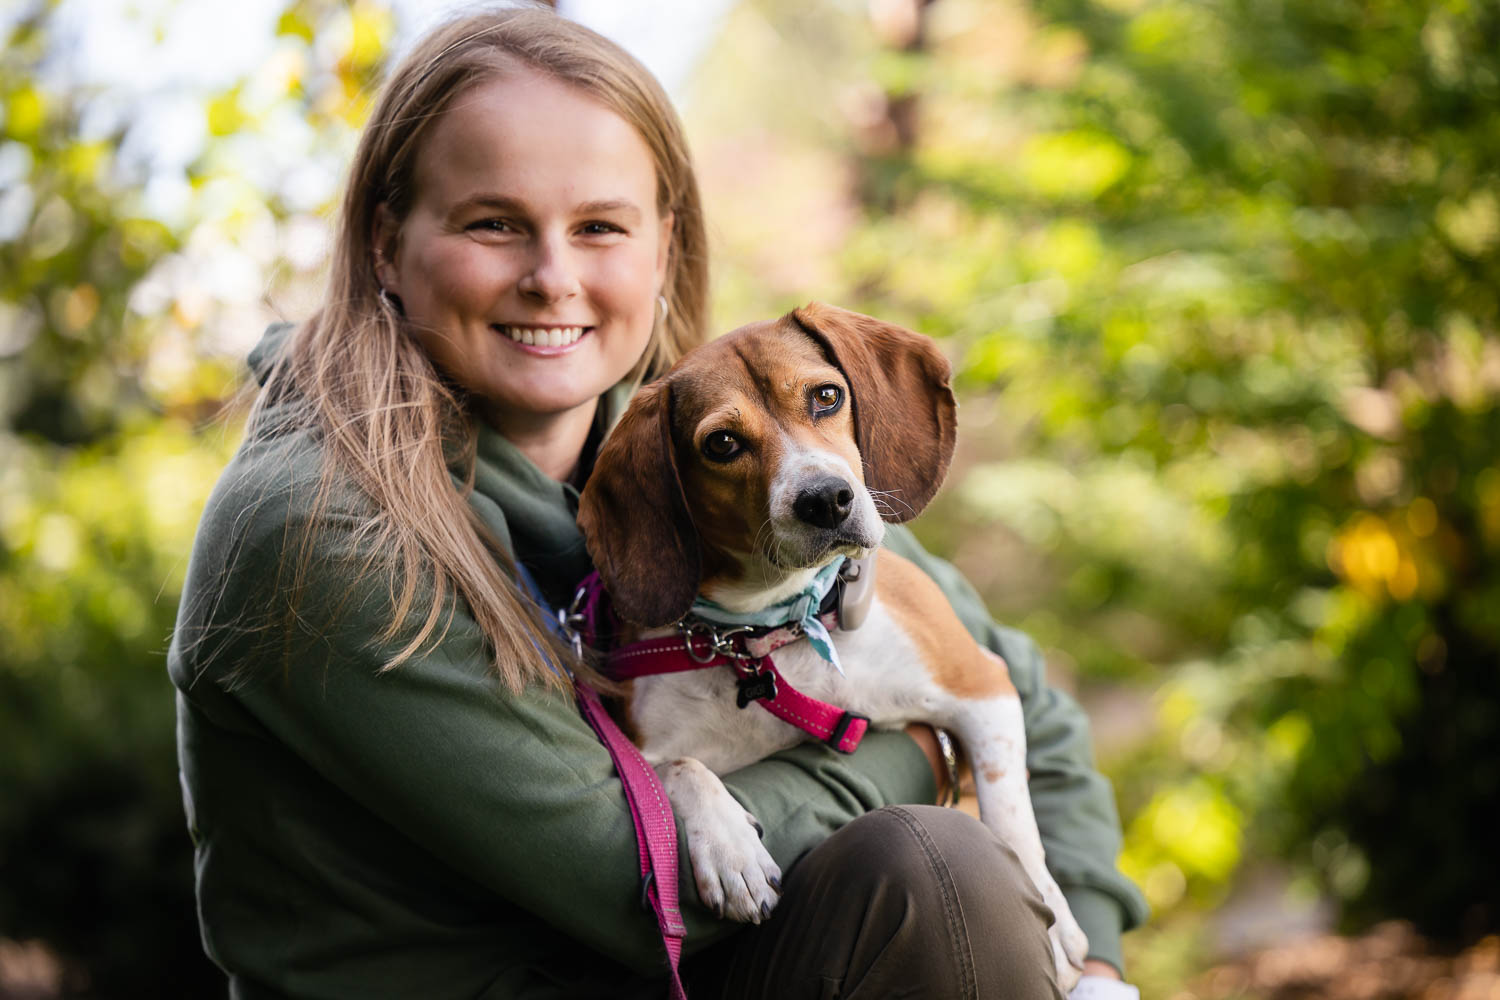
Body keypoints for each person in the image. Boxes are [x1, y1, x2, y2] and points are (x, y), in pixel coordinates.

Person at [168, 7, 1147, 998]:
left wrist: (1094, 957)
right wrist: (917, 746)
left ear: (663, 244)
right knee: (933, 871)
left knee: (932, 873)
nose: (553, 277)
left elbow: (1017, 692)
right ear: (387, 242)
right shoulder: (315, 524)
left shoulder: (710, 467)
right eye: (494, 222)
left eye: (599, 225)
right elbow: (631, 881)